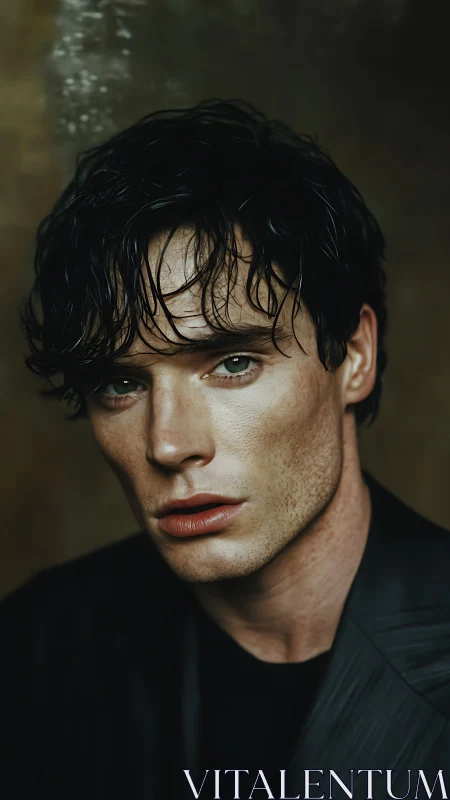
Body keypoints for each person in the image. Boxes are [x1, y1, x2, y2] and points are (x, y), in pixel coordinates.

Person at [2, 100, 449, 800]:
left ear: (353, 357)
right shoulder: (35, 652)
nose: (170, 443)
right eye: (121, 384)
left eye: (232, 364)